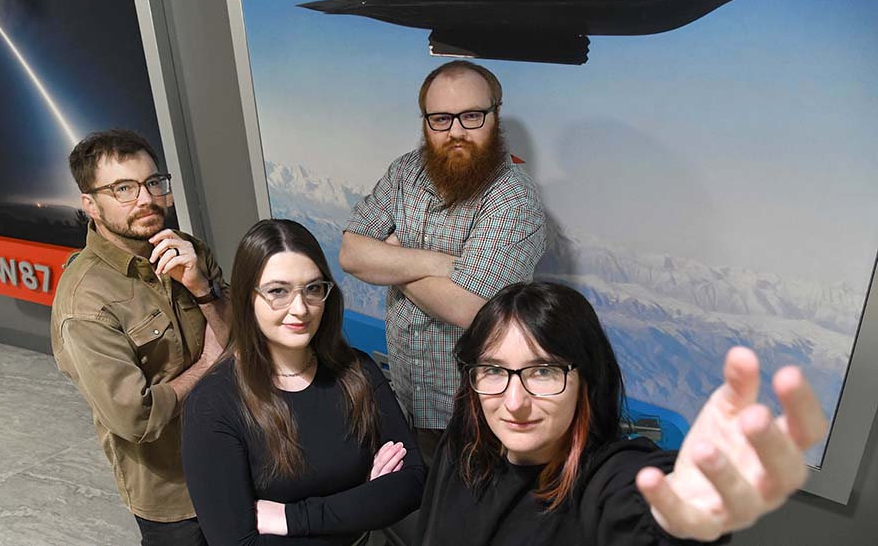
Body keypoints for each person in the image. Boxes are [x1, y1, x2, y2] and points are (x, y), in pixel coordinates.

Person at [417, 281, 827, 546]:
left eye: (542, 371)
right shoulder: (465, 445)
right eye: (493, 370)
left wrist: (676, 519)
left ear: (586, 379)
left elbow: (640, 504)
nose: (513, 401)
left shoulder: (605, 479)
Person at [340, 60, 546, 460]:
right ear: (426, 122)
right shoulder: (405, 173)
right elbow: (351, 253)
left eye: (471, 116)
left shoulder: (514, 198)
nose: (455, 131)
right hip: (405, 398)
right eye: (440, 119)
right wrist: (440, 263)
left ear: (495, 116)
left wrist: (392, 260)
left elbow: (470, 307)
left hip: (476, 415)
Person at [181, 219, 425, 546]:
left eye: (312, 289)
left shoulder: (358, 371)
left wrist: (290, 518)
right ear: (245, 298)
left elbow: (410, 485)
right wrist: (364, 500)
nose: (300, 309)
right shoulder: (212, 405)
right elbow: (237, 543)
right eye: (278, 292)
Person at [51, 129, 230, 546]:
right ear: (91, 205)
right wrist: (208, 365)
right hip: (174, 493)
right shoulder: (85, 303)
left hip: (237, 456)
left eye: (153, 183)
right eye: (124, 189)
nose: (146, 198)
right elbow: (137, 417)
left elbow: (239, 340)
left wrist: (202, 289)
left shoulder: (189, 249)